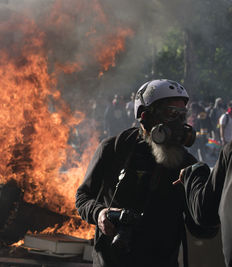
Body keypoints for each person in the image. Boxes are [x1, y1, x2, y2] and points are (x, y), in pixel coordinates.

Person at [75, 79, 217, 267]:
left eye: (182, 116)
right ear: (145, 116)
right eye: (171, 113)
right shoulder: (113, 149)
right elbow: (83, 197)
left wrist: (211, 198)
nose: (178, 123)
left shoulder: (187, 165)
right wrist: (99, 213)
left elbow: (201, 229)